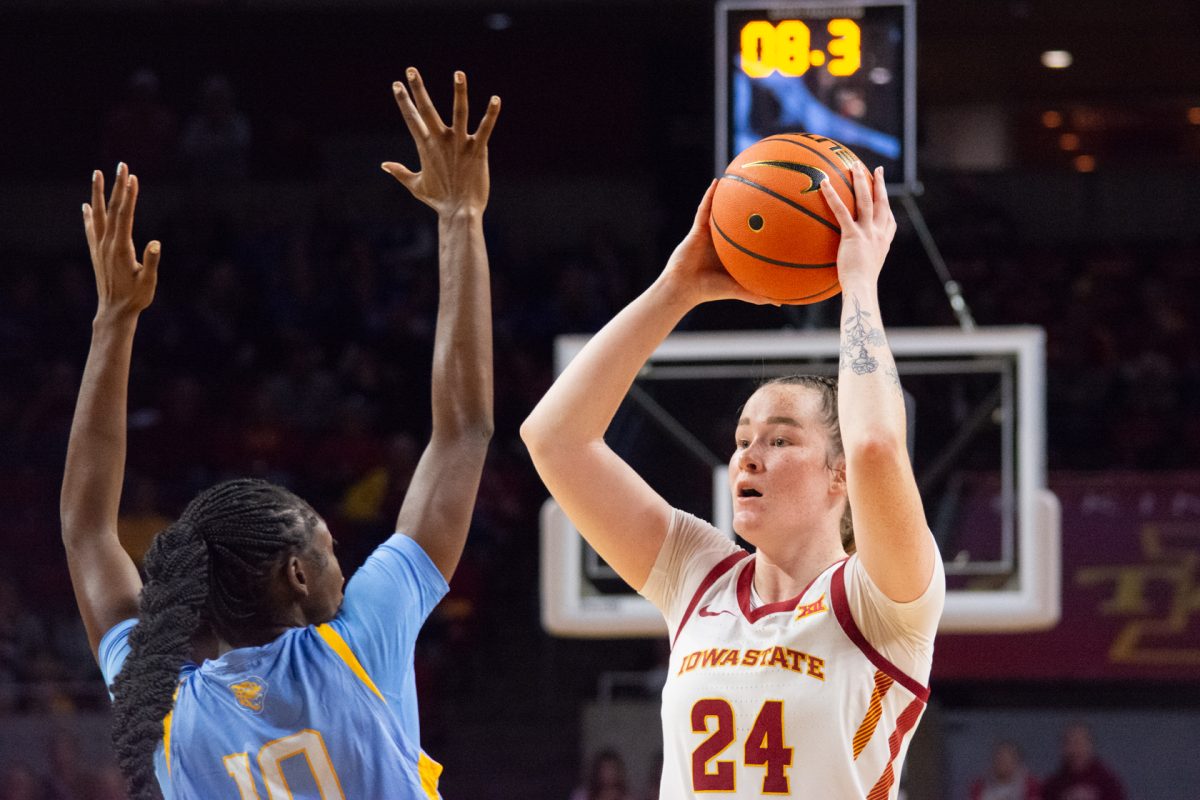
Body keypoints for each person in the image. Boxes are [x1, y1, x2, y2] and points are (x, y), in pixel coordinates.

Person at [60, 68, 499, 800]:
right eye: (328, 549)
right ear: (296, 576)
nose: (341, 561)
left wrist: (111, 323)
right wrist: (461, 217)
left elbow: (84, 531)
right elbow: (463, 431)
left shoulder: (160, 707)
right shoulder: (356, 648)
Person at [522, 163, 944, 798]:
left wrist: (859, 278)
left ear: (839, 476)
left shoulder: (881, 599)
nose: (748, 457)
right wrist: (676, 289)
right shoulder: (698, 576)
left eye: (779, 439)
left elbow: (877, 444)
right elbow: (554, 439)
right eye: (743, 439)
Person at [1041, 723, 1126, 800]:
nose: (1075, 749)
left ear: (1090, 746)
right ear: (1063, 748)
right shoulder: (1053, 785)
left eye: (1080, 743)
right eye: (1070, 743)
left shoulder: (1108, 783)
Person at [969, 741, 1042, 800]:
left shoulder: (1031, 787)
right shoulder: (979, 786)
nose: (1002, 763)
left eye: (1007, 759)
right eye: (999, 759)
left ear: (1017, 761)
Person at [568, 748, 633, 800]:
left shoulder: (627, 798)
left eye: (611, 768)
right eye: (604, 768)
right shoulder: (582, 795)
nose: (608, 773)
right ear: (596, 770)